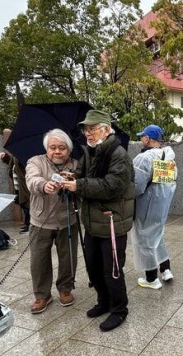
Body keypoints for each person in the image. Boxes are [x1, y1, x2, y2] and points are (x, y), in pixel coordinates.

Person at [65, 110, 134, 332]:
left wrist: (80, 185)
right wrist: (71, 179)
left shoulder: (118, 154)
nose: (88, 133)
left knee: (112, 269)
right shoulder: (90, 152)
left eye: (92, 129)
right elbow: (83, 175)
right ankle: (104, 302)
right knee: (94, 268)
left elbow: (112, 186)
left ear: (105, 129)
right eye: (86, 129)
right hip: (92, 221)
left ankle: (119, 310)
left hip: (112, 221)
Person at [24, 129, 80, 314]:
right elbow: (32, 179)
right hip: (41, 220)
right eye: (53, 147)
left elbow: (82, 185)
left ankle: (65, 289)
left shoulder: (76, 164)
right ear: (47, 149)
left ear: (68, 150)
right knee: (39, 260)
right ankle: (42, 295)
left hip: (67, 219)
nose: (57, 151)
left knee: (68, 257)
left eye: (62, 148)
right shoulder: (35, 161)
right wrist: (43, 184)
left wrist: (74, 182)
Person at [132, 124, 177, 289]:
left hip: (146, 205)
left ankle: (151, 278)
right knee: (157, 236)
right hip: (162, 204)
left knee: (145, 240)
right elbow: (172, 180)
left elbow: (136, 186)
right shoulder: (168, 156)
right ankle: (166, 269)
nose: (141, 139)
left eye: (142, 136)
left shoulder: (144, 158)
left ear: (148, 138)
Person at [0, 129, 31, 233]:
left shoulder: (25, 152)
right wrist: (5, 157)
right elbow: (12, 163)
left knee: (27, 204)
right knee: (23, 204)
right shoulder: (16, 153)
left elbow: (23, 164)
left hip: (24, 184)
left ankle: (29, 225)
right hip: (18, 184)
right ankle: (27, 223)